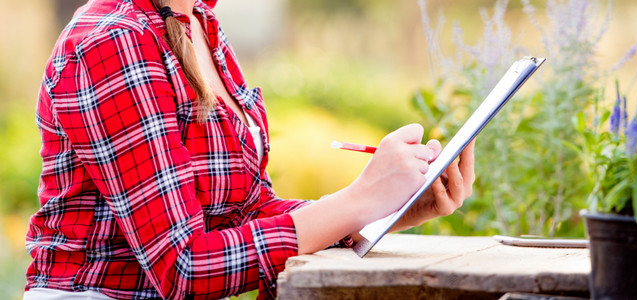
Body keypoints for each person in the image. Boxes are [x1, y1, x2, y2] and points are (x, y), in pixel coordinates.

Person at [24, 0, 476, 299]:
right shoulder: (112, 41)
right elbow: (184, 267)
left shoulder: (198, 23)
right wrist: (357, 200)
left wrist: (381, 211)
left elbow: (247, 209)